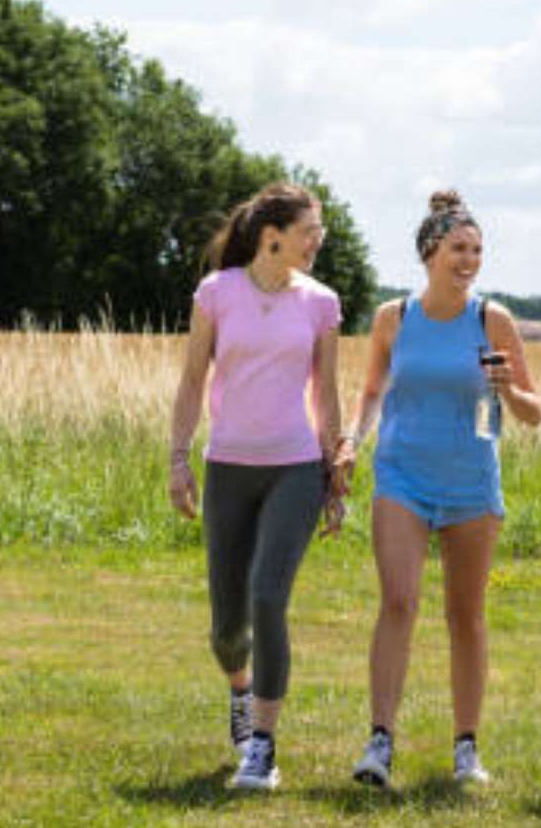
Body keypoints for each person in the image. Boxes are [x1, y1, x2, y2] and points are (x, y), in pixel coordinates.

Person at [337, 190, 541, 788]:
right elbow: (373, 389)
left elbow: (533, 414)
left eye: (477, 250)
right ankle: (379, 741)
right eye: (458, 248)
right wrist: (354, 438)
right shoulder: (393, 318)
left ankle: (466, 747)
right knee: (398, 601)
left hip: (471, 483)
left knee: (466, 616)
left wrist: (507, 386)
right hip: (402, 476)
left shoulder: (493, 320)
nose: (470, 259)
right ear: (430, 252)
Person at [167, 181, 353, 792]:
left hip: (295, 467)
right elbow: (194, 380)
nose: (318, 240)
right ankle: (241, 692)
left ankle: (263, 749)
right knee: (226, 628)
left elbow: (325, 392)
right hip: (228, 468)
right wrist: (178, 458)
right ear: (272, 237)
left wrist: (335, 473)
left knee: (269, 595)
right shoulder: (217, 294)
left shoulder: (321, 303)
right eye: (309, 230)